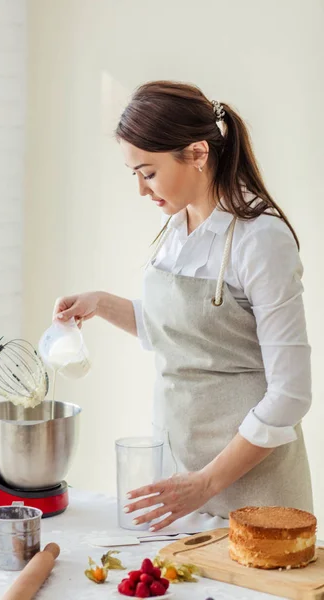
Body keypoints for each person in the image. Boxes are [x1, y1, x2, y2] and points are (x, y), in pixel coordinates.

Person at [54, 81, 313, 531]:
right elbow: (186, 335)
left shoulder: (261, 240)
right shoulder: (174, 225)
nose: (140, 190)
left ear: (197, 154)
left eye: (149, 172)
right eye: (133, 173)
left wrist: (206, 482)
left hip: (252, 490)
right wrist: (101, 303)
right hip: (181, 480)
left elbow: (290, 395)